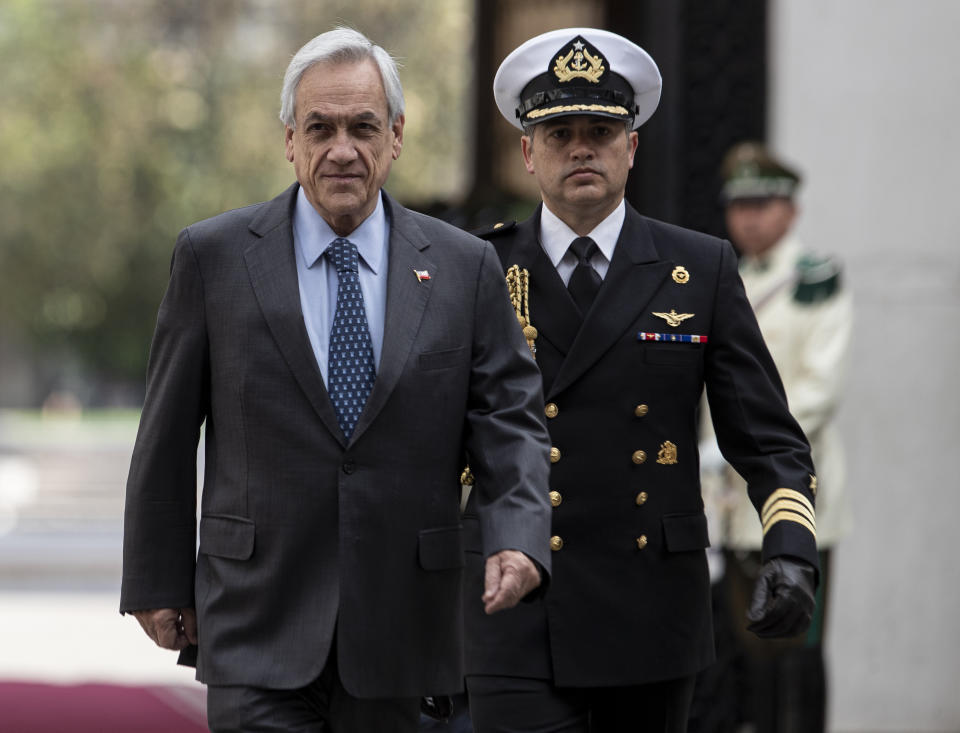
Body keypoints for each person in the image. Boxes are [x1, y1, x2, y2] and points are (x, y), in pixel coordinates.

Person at [120, 27, 553, 733]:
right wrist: (155, 577)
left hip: (404, 623)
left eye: (363, 126)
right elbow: (166, 433)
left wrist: (518, 532)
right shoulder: (214, 257)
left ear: (397, 136)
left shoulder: (463, 266)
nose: (342, 149)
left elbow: (510, 417)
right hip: (254, 618)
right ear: (291, 139)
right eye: (320, 127)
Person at [460, 28, 820, 733]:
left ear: (633, 146)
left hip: (650, 606)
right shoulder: (476, 269)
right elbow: (432, 440)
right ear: (527, 152)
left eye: (602, 129)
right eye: (560, 132)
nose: (582, 147)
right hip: (513, 603)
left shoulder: (700, 268)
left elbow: (770, 438)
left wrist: (791, 546)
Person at [694, 142, 852, 732]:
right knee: (743, 646)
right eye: (739, 205)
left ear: (791, 210)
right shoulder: (718, 274)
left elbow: (819, 388)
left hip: (799, 492)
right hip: (729, 500)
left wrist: (745, 440)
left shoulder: (814, 280)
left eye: (763, 203)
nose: (750, 217)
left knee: (797, 645)